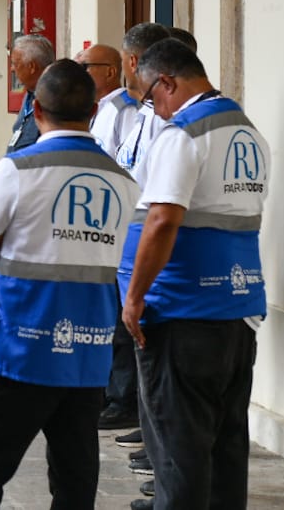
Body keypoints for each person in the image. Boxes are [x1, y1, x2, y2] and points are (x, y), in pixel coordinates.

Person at [0, 60, 139, 510]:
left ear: (35, 108)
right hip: (87, 353)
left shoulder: (18, 169)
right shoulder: (124, 181)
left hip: (18, 348)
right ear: (94, 112)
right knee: (75, 477)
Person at [121, 39, 269, 510]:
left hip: (182, 311)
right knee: (226, 449)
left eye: (149, 96)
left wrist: (135, 297)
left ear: (167, 82)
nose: (154, 109)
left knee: (178, 454)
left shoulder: (184, 134)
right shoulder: (247, 132)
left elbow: (163, 220)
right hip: (237, 310)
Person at [102, 21, 175, 436]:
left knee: (148, 342)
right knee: (130, 339)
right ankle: (144, 422)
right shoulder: (141, 113)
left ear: (133, 62)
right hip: (125, 239)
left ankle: (149, 427)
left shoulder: (166, 120)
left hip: (149, 244)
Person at [82, 42, 135, 159]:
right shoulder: (98, 106)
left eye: (85, 67)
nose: (79, 73)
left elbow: (129, 161)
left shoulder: (126, 108)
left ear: (110, 72)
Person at [6, 34, 54, 155]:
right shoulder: (29, 94)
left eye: (15, 64)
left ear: (31, 67)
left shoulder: (54, 98)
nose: (12, 69)